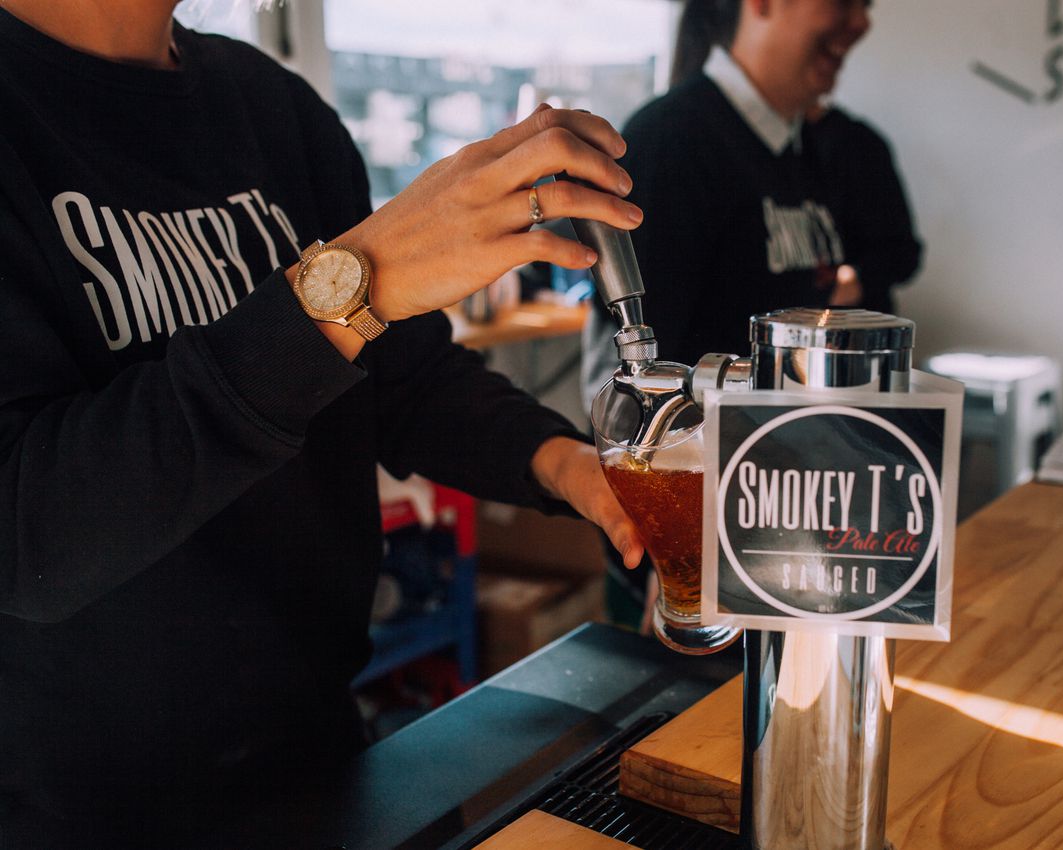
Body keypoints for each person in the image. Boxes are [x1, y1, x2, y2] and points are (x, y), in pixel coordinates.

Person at [0, 1, 647, 845]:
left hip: (318, 755)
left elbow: (399, 379)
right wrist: (352, 286)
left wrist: (567, 466)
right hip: (70, 804)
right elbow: (26, 528)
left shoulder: (272, 106)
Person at [582, 0, 923, 628]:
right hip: (704, 565)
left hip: (785, 538)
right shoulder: (673, 141)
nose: (862, 21)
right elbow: (641, 391)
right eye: (845, 1)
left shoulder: (802, 148)